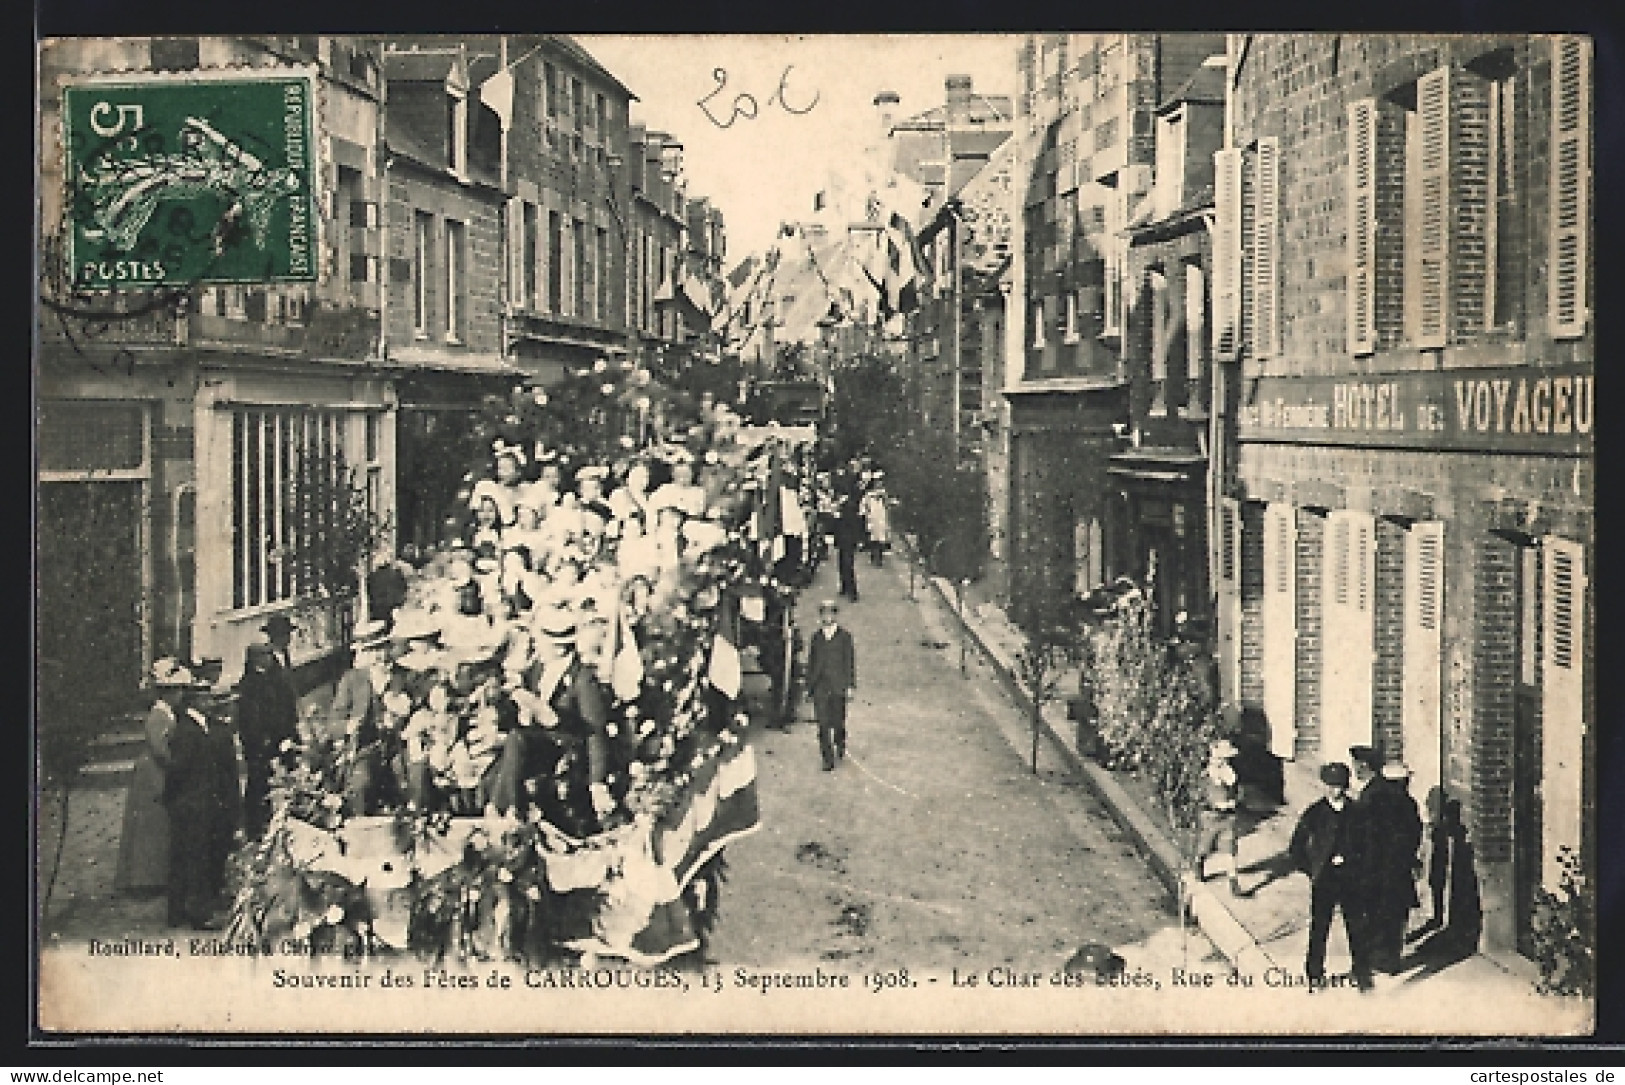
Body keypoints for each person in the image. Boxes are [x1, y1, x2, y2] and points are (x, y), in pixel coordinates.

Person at [162, 670, 241, 929]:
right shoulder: (186, 730)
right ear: (195, 702)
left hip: (203, 801)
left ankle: (184, 910)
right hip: (191, 802)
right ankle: (193, 913)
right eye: (206, 700)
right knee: (191, 858)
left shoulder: (204, 726)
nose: (211, 704)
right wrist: (176, 798)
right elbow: (178, 769)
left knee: (194, 856)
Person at [1288, 761, 1373, 992]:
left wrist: (1359, 866)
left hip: (1351, 877)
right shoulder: (1315, 813)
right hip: (1324, 879)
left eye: (1340, 786)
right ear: (1324, 786)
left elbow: (1368, 845)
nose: (1335, 791)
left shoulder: (1357, 813)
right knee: (1320, 927)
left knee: (1356, 925)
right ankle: (1314, 974)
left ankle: (1362, 973)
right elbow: (1296, 848)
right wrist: (1312, 869)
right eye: (1331, 786)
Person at [114, 657, 195, 896]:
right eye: (178, 690)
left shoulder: (166, 712)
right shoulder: (159, 714)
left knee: (157, 824)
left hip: (156, 769)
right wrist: (177, 765)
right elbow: (160, 747)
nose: (180, 695)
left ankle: (153, 876)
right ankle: (144, 879)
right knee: (150, 824)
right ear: (168, 692)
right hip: (153, 772)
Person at [1361, 758, 1425, 976]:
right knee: (1395, 915)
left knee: (1374, 912)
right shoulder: (1407, 804)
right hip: (1396, 869)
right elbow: (1414, 834)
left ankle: (1375, 957)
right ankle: (1390, 959)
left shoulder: (1370, 799)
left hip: (1373, 869)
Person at [235, 642, 300, 839]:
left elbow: (288, 706)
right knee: (259, 782)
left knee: (286, 780)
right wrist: (260, 739)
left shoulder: (278, 677)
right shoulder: (249, 683)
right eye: (262, 656)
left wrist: (289, 732)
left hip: (281, 736)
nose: (267, 659)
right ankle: (257, 826)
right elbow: (250, 717)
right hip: (259, 742)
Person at [804, 599, 856, 771]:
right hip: (820, 686)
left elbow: (849, 662)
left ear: (835, 615)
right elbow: (811, 663)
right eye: (823, 613)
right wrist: (808, 686)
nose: (827, 617)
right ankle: (827, 759)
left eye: (830, 613)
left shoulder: (845, 637)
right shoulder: (816, 638)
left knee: (838, 722)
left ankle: (840, 742)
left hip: (838, 685)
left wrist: (850, 685)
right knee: (822, 724)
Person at [1194, 738, 1242, 896]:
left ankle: (1233, 882)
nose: (1220, 762)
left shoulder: (1230, 774)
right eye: (1217, 758)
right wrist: (1214, 803)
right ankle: (1199, 863)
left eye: (1223, 759)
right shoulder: (1206, 774)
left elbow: (1238, 791)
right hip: (1210, 816)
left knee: (1229, 849)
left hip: (1227, 817)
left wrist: (1234, 801)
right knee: (1205, 846)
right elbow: (1202, 794)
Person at [832, 490, 864, 602]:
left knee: (847, 564)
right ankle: (844, 586)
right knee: (842, 564)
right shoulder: (843, 507)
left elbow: (853, 524)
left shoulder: (849, 507)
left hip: (848, 540)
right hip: (843, 540)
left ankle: (852, 591)